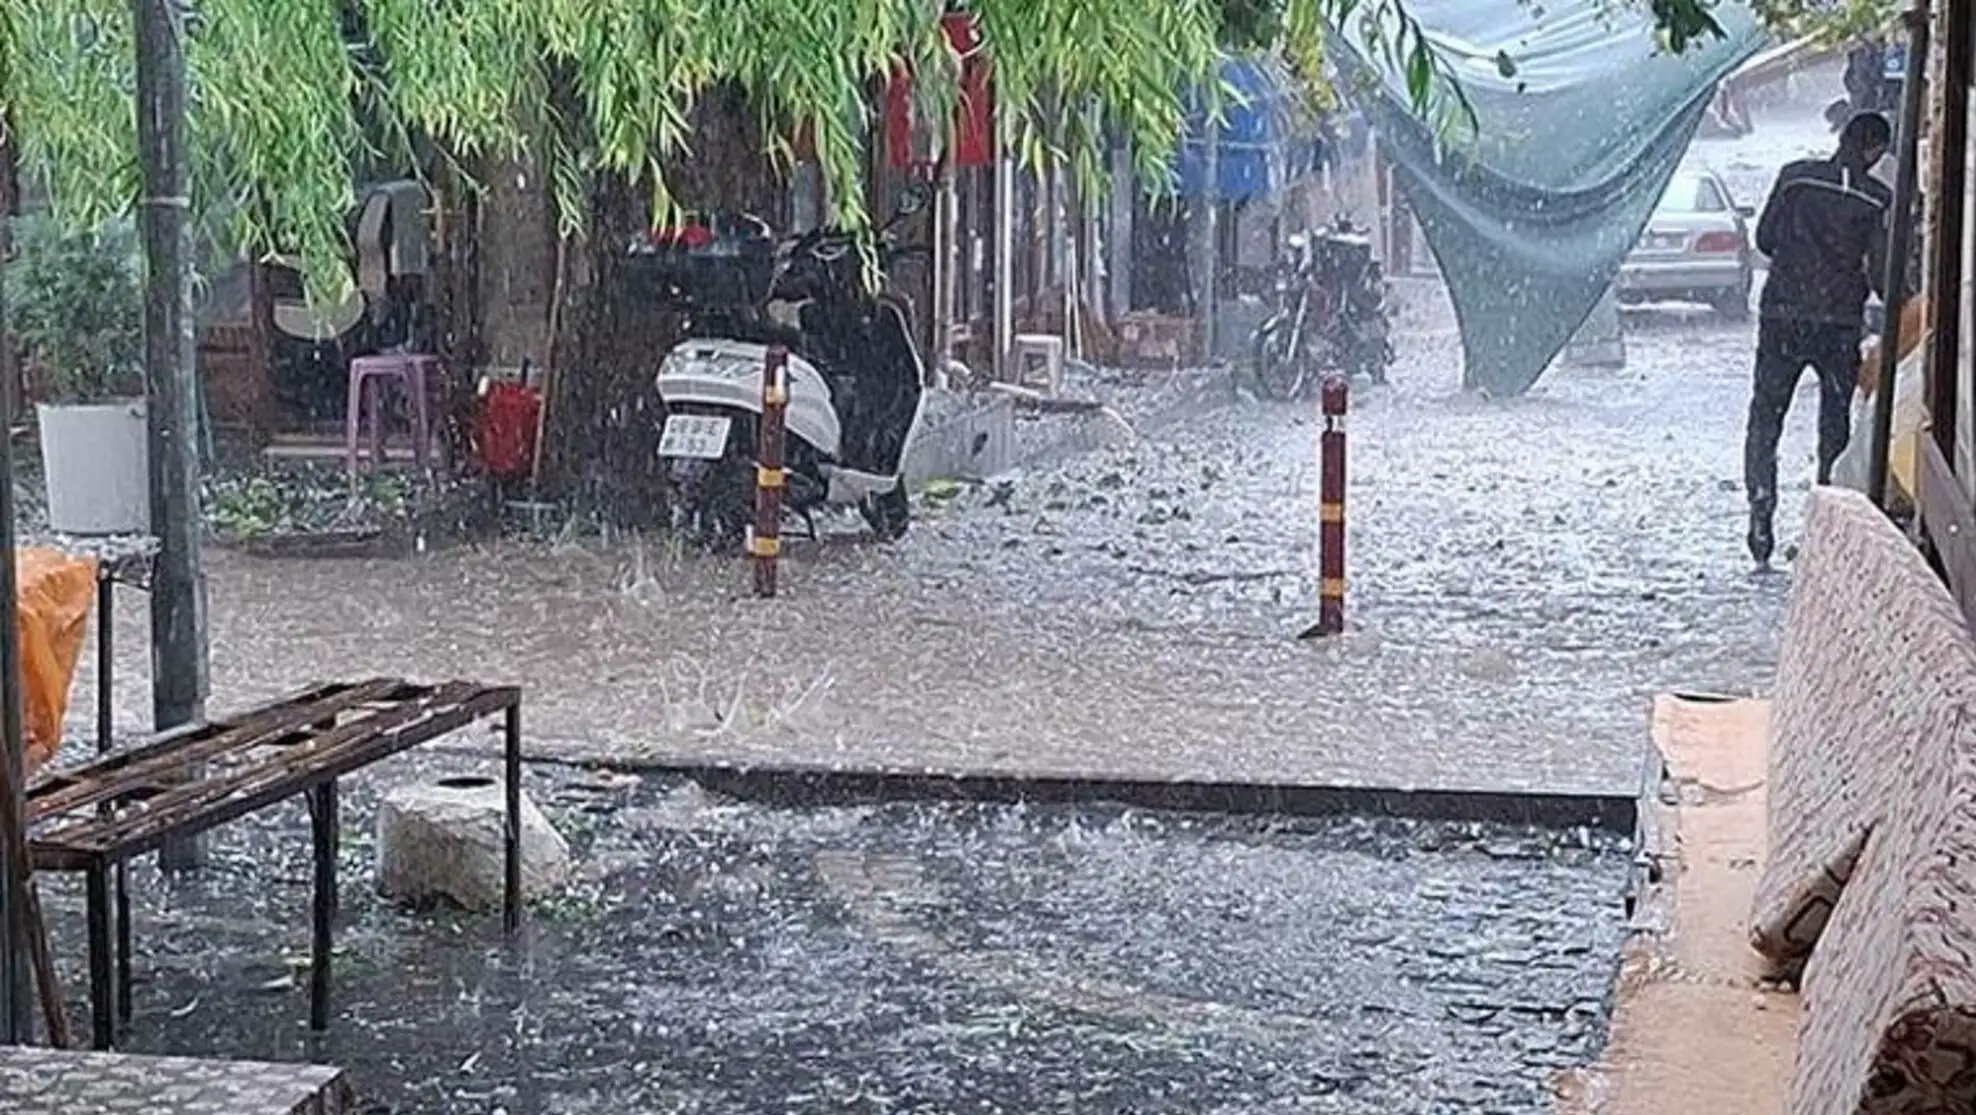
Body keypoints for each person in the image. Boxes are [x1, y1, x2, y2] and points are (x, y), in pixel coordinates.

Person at [1743, 111, 1894, 567]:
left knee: (1766, 415)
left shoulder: (1795, 179)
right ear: (1875, 151)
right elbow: (1884, 275)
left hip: (1783, 314)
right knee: (1834, 422)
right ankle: (1826, 511)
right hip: (1839, 323)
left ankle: (1761, 507)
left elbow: (1766, 239)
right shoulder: (1876, 199)